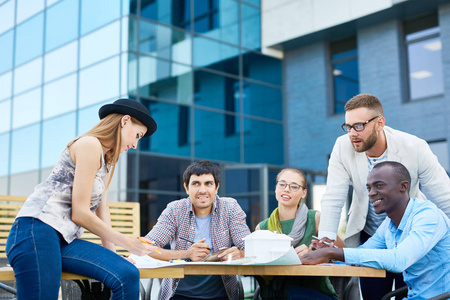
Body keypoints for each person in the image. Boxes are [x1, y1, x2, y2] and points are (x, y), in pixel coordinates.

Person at [6, 98, 159, 300]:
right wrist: (128, 242)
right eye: (138, 135)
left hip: (63, 240)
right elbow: (80, 213)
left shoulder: (104, 162)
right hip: (35, 231)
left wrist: (113, 254)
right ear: (125, 121)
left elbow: (102, 213)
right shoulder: (89, 145)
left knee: (126, 273)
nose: (135, 145)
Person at [317, 94, 450, 299]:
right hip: (375, 232)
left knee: (411, 286)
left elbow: (444, 197)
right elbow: (334, 195)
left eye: (359, 126)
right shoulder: (342, 146)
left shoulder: (414, 147)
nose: (352, 133)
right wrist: (326, 241)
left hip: (411, 234)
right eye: (348, 126)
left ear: (380, 123)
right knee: (374, 295)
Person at [302, 161, 450, 300]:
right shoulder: (389, 224)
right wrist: (330, 254)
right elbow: (362, 254)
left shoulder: (427, 216)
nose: (371, 193)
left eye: (379, 186)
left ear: (403, 186)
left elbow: (399, 259)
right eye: (369, 188)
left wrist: (334, 253)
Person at [145, 160, 251, 300]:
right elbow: (147, 247)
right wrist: (187, 253)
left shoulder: (230, 208)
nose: (202, 190)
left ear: (216, 187)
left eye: (208, 184)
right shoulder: (175, 210)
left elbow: (250, 248)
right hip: (179, 294)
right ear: (186, 188)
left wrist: (240, 254)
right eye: (196, 183)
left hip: (221, 294)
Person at [255, 167, 345, 299]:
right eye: (282, 184)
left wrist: (319, 255)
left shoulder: (315, 219)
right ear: (276, 188)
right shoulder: (262, 228)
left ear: (304, 193)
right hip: (277, 295)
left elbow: (344, 253)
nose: (286, 189)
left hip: (316, 294)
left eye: (294, 186)